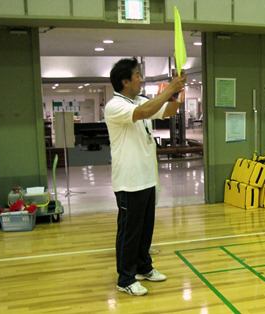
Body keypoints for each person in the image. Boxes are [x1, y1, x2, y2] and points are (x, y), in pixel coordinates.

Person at [105, 58, 186, 296]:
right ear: (125, 81)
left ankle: (143, 268)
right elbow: (143, 112)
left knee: (145, 230)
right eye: (137, 75)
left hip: (147, 178)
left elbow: (169, 111)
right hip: (129, 181)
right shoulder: (115, 106)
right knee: (129, 231)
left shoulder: (140, 99)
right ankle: (125, 278)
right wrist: (169, 88)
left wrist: (177, 93)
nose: (141, 78)